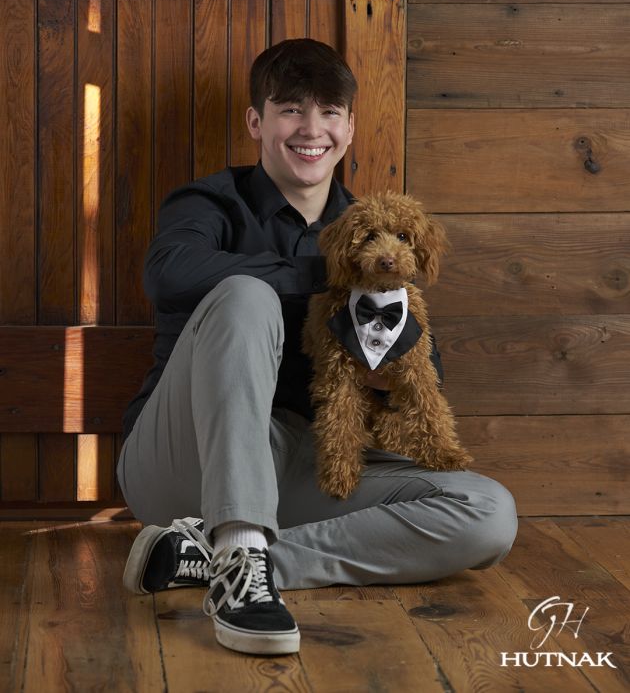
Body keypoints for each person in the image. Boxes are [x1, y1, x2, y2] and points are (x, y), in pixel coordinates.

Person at [117, 38, 518, 656]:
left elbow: (422, 369)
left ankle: (242, 564)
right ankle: (239, 548)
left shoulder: (375, 232)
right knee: (245, 294)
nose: (312, 129)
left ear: (349, 128)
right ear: (257, 122)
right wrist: (321, 276)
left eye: (330, 112)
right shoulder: (212, 202)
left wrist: (385, 374)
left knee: (488, 510)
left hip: (301, 462)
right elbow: (168, 274)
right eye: (291, 110)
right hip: (182, 458)